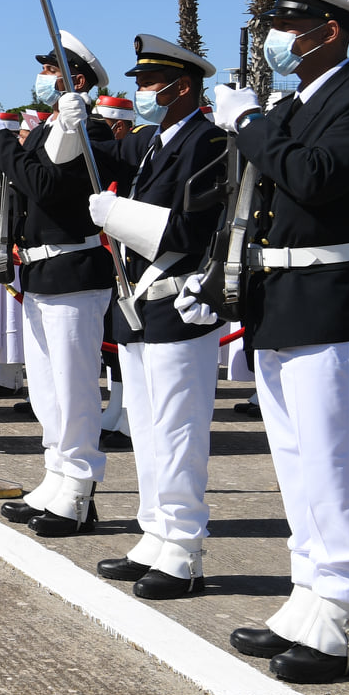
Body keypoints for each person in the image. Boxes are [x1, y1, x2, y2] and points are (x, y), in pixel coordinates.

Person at [189, 0, 349, 683]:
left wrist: (250, 124)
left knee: (334, 461)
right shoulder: (294, 104)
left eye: (287, 23)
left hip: (331, 297)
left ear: (328, 32)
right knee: (295, 462)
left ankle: (344, 616)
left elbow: (314, 176)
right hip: (278, 296)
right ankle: (308, 595)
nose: (276, 37)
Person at [83, 34, 226, 600]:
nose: (138, 92)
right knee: (146, 428)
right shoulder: (154, 143)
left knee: (178, 429)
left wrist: (119, 215)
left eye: (146, 83)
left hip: (180, 301)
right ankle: (157, 533)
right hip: (143, 305)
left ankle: (185, 549)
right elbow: (90, 157)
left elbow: (193, 229)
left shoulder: (208, 141)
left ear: (182, 86)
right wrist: (74, 118)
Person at [0, 30, 116, 536]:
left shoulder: (94, 133)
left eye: (51, 71)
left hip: (73, 270)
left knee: (74, 389)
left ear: (75, 81)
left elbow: (45, 185)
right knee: (46, 390)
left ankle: (81, 489)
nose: (42, 79)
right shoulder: (43, 132)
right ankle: (57, 474)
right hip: (39, 270)